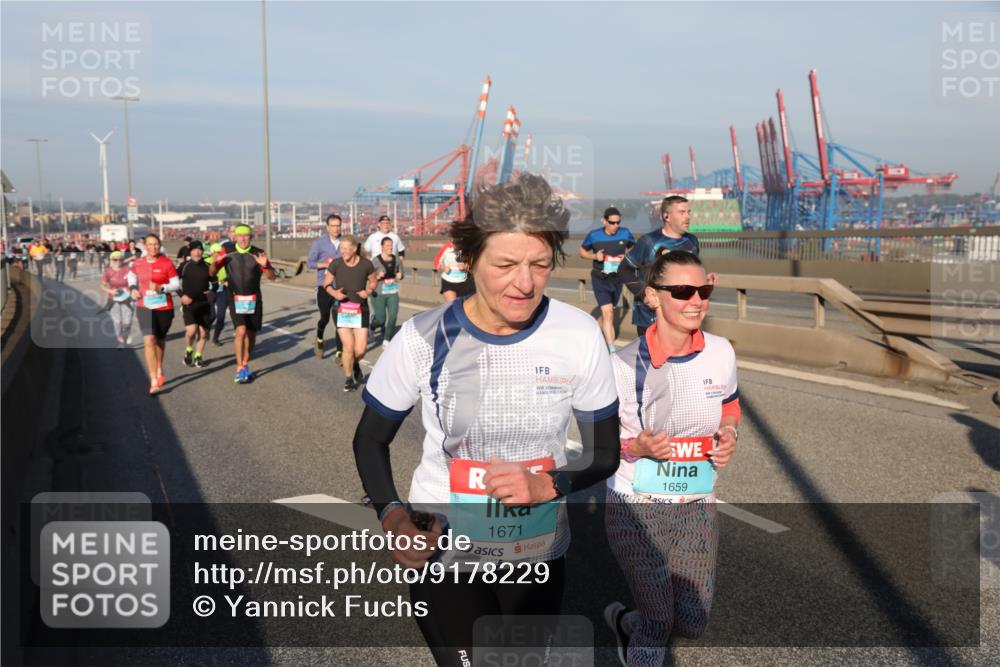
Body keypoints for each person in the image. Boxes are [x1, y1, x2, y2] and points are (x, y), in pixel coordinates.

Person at [353, 174, 621, 665]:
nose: (525, 282)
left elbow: (605, 453)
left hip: (535, 553)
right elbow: (370, 439)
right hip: (443, 548)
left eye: (540, 265)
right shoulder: (421, 337)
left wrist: (550, 485)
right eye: (506, 264)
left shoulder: (579, 335)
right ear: (469, 259)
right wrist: (391, 515)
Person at [603, 251, 739, 667]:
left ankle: (625, 621)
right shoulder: (623, 366)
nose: (695, 300)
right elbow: (603, 447)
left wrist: (730, 432)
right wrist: (637, 448)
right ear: (652, 297)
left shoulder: (721, 351)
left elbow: (730, 405)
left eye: (704, 290)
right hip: (636, 506)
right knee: (659, 621)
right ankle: (639, 639)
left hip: (696, 504)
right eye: (682, 291)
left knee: (692, 622)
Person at [621, 196, 699, 337]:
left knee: (680, 358)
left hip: (682, 315)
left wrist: (704, 279)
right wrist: (644, 294)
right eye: (682, 212)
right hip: (650, 317)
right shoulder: (649, 241)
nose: (687, 217)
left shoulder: (692, 241)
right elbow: (624, 269)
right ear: (666, 216)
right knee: (654, 359)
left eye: (689, 212)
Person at [210, 225, 274, 384]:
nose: (243, 239)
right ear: (235, 237)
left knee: (251, 335)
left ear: (251, 237)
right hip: (235, 297)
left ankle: (245, 363)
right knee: (241, 330)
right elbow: (211, 273)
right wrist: (214, 263)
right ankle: (239, 367)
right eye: (240, 236)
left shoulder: (258, 253)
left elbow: (272, 277)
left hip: (254, 299)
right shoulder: (227, 250)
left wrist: (265, 265)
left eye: (246, 236)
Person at [322, 235, 376, 392]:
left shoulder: (366, 264)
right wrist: (334, 293)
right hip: (342, 309)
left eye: (346, 248)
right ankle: (348, 379)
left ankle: (355, 363)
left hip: (361, 309)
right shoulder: (336, 264)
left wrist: (368, 291)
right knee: (348, 346)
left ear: (354, 249)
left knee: (360, 350)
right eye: (341, 248)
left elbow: (373, 281)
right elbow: (326, 283)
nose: (342, 251)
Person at [580, 206, 636, 351]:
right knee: (608, 312)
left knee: (607, 313)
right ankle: (611, 349)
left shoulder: (625, 233)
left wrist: (627, 257)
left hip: (617, 278)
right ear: (604, 221)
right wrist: (595, 256)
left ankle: (591, 335)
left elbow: (633, 248)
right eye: (612, 223)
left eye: (618, 222)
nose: (616, 226)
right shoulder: (594, 235)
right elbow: (582, 251)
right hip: (600, 278)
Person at [129, 234, 179, 394]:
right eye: (150, 244)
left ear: (159, 245)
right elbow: (131, 276)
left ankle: (159, 367)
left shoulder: (166, 263)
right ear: (145, 246)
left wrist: (161, 288)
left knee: (160, 340)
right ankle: (153, 380)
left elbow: (176, 284)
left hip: (164, 307)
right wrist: (132, 289)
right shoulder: (138, 262)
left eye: (156, 244)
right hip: (144, 305)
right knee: (149, 339)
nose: (153, 247)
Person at [306, 214, 344, 358]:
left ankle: (339, 352)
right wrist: (327, 265)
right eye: (333, 226)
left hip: (340, 286)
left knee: (340, 320)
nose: (336, 228)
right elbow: (310, 263)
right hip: (324, 285)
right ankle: (320, 339)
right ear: (327, 227)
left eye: (338, 225)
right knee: (325, 318)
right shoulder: (319, 243)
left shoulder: (345, 243)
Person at [178, 241, 214, 368]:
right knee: (191, 331)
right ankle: (189, 349)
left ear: (202, 251)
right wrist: (181, 295)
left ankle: (198, 356)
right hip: (189, 303)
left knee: (203, 333)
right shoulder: (184, 266)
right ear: (191, 251)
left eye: (200, 249)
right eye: (194, 249)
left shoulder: (207, 266)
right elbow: (174, 281)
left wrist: (212, 289)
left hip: (204, 303)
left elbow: (215, 282)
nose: (197, 252)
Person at [369, 236, 404, 346]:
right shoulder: (375, 261)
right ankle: (373, 325)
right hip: (378, 293)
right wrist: (377, 276)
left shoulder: (397, 259)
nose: (390, 248)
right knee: (381, 319)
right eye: (387, 246)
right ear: (382, 247)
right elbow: (367, 276)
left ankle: (387, 339)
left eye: (391, 246)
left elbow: (401, 274)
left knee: (393, 316)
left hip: (392, 292)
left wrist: (400, 275)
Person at [101, 250, 137, 348]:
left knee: (127, 321)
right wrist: (111, 291)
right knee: (117, 322)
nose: (118, 261)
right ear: (111, 260)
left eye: (120, 259)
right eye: (115, 259)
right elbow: (102, 286)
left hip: (127, 299)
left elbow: (132, 281)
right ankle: (119, 335)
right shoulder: (108, 272)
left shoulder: (127, 269)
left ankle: (128, 333)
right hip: (113, 300)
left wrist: (133, 290)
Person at [207, 242, 229, 346]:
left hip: (222, 291)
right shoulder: (206, 261)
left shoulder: (224, 262)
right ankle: (206, 330)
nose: (218, 254)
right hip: (210, 291)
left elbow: (226, 275)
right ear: (211, 253)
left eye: (220, 252)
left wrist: (226, 281)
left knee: (221, 316)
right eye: (216, 252)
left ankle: (215, 338)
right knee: (212, 316)